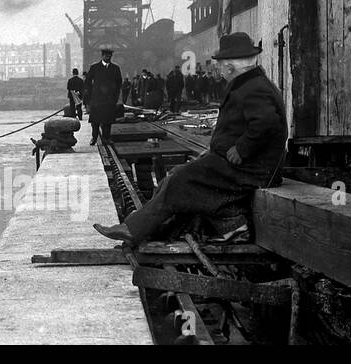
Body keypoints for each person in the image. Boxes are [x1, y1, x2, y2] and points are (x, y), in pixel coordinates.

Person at [93, 32, 287, 246]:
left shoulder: (252, 88)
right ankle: (157, 229)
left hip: (254, 168)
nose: (218, 69)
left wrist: (241, 149)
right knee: (179, 175)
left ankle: (135, 229)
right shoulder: (250, 84)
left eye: (221, 65)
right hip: (249, 164)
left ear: (230, 67)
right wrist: (217, 150)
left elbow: (267, 122)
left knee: (182, 179)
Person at [82, 48, 123, 145]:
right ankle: (94, 137)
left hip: (109, 99)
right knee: (95, 121)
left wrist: (115, 97)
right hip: (97, 99)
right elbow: (87, 82)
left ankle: (106, 138)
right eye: (106, 56)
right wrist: (90, 95)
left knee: (107, 121)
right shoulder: (95, 67)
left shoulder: (115, 68)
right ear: (102, 56)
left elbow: (119, 83)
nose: (108, 57)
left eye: (109, 56)